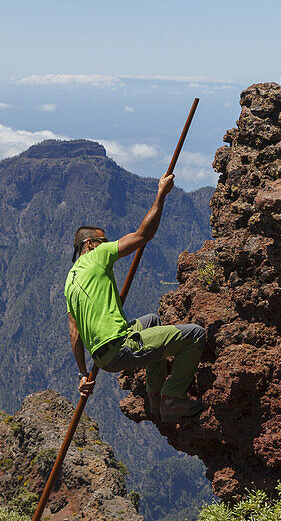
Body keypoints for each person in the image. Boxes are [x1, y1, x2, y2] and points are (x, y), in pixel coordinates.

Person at [65, 173, 206, 422]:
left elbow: (74, 333)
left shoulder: (70, 281)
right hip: (120, 347)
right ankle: (172, 398)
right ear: (90, 243)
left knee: (152, 320)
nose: (107, 243)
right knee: (195, 334)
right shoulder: (97, 255)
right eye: (103, 240)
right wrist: (161, 193)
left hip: (101, 356)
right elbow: (143, 235)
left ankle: (154, 398)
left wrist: (83, 374)